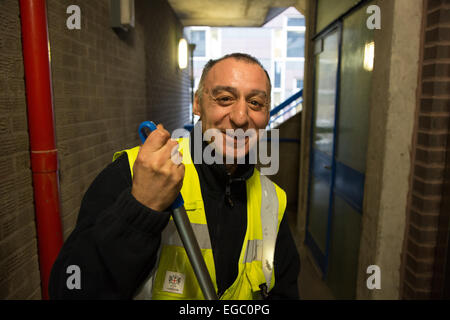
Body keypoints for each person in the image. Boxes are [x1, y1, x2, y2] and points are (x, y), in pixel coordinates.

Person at [49, 53, 300, 300]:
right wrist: (140, 208)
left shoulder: (272, 201)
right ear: (197, 104)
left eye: (255, 103)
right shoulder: (135, 171)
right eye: (224, 98)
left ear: (267, 114)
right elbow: (69, 290)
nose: (240, 117)